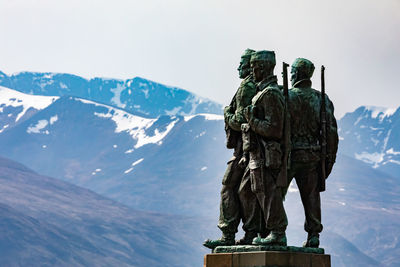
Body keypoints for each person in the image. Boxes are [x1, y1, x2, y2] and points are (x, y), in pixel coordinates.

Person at [203, 49, 264, 249]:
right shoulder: (259, 86)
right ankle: (250, 232)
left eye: (241, 64)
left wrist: (227, 114)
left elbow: (241, 119)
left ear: (249, 66)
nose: (238, 67)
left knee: (229, 187)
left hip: (245, 148)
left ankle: (229, 233)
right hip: (253, 147)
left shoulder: (247, 87)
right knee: (247, 191)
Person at [286, 58, 338, 247]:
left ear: (298, 74)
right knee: (311, 197)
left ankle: (274, 231)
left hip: (290, 156)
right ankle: (313, 235)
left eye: (292, 72)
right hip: (313, 155)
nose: (290, 76)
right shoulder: (321, 99)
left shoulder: (286, 96)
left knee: (275, 194)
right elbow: (331, 132)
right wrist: (329, 159)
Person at [243, 50, 288, 246]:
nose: (252, 72)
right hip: (256, 153)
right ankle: (262, 230)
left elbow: (274, 129)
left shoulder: (270, 94)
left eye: (254, 68)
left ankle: (277, 231)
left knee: (269, 193)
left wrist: (251, 120)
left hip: (266, 153)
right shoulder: (262, 92)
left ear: (262, 68)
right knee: (254, 191)